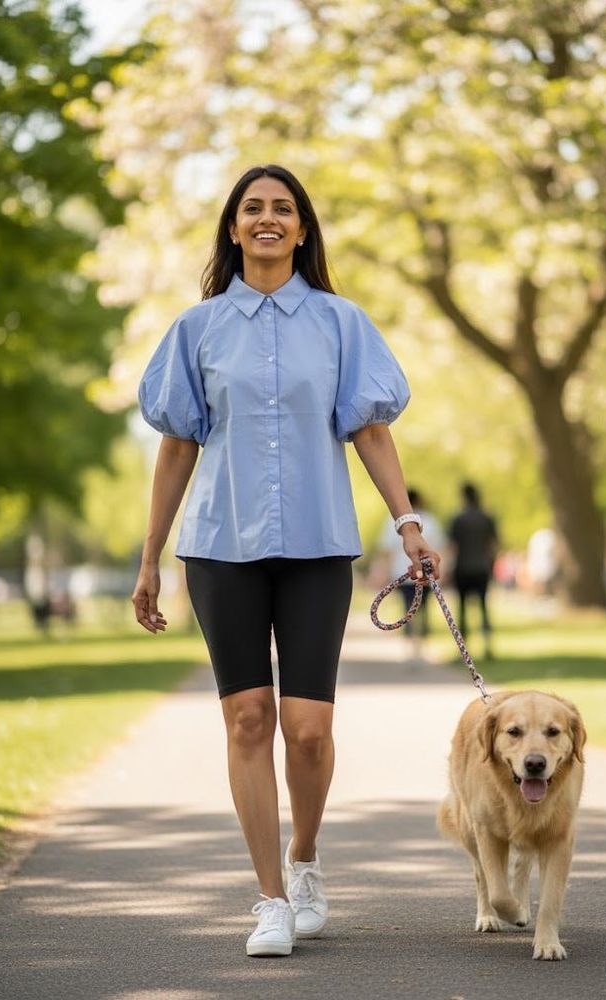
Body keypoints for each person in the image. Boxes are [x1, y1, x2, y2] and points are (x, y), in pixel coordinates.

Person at [131, 164, 441, 958]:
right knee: (246, 719)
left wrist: (406, 524)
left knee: (306, 730)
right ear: (232, 229)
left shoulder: (341, 323)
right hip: (218, 547)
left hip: (316, 544)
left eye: (282, 209)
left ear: (302, 229)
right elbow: (175, 448)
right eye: (252, 209)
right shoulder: (197, 330)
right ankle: (269, 899)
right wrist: (149, 559)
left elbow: (370, 430)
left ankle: (304, 860)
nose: (267, 219)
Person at [376, 487, 445, 662]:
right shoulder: (430, 521)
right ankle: (418, 644)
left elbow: (387, 551)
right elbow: (440, 548)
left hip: (403, 573)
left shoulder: (392, 522)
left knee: (409, 609)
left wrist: (382, 573)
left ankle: (414, 645)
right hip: (425, 574)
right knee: (421, 609)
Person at [448, 482, 498, 658]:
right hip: (482, 568)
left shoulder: (458, 519)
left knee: (461, 610)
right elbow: (492, 545)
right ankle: (488, 646)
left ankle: (463, 650)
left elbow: (453, 547)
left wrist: (448, 569)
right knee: (484, 608)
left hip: (462, 569)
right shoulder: (487, 518)